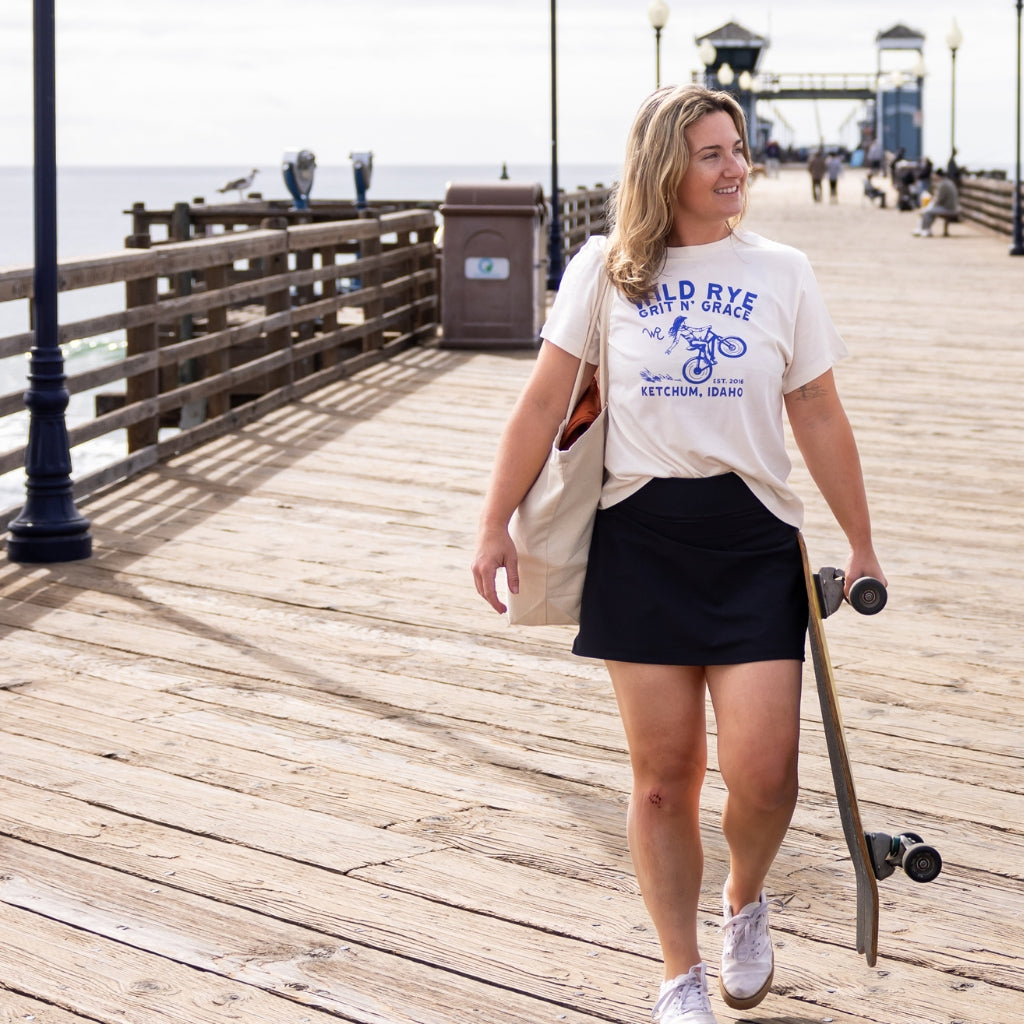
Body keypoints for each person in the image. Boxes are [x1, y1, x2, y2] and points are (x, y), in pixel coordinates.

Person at [471, 84, 885, 1024]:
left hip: (751, 542)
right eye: (711, 153)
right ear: (666, 166)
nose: (735, 166)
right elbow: (543, 405)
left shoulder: (783, 271)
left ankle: (744, 896)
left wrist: (860, 541)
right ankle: (678, 970)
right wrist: (494, 521)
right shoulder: (605, 269)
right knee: (663, 784)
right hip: (641, 538)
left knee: (766, 772)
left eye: (738, 147)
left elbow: (816, 411)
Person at [914, 167, 959, 237]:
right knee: (929, 211)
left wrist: (931, 205)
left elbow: (939, 200)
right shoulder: (948, 182)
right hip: (952, 207)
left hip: (948, 208)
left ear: (937, 175)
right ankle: (924, 229)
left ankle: (925, 230)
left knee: (927, 211)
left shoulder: (943, 184)